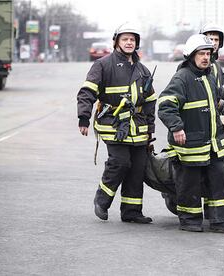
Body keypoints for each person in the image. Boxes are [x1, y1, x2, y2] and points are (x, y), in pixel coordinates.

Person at [77, 22, 157, 223]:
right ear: (116, 42)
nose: (129, 42)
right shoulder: (103, 65)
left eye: (132, 39)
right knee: (121, 163)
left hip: (138, 128)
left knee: (137, 168)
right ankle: (102, 200)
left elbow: (149, 102)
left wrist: (150, 130)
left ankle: (131, 212)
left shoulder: (143, 70)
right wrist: (83, 117)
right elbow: (87, 92)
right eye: (125, 39)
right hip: (112, 125)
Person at [158, 34, 224, 234]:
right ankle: (189, 219)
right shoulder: (182, 77)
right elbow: (165, 106)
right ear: (191, 56)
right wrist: (176, 127)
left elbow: (213, 108)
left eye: (208, 53)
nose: (205, 57)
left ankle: (220, 220)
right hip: (190, 144)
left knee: (219, 178)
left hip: (212, 143)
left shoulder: (209, 76)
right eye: (201, 53)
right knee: (189, 182)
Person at [200, 22, 224, 115]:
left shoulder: (217, 66)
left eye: (216, 40)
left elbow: (219, 95)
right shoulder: (193, 65)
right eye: (210, 39)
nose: (214, 43)